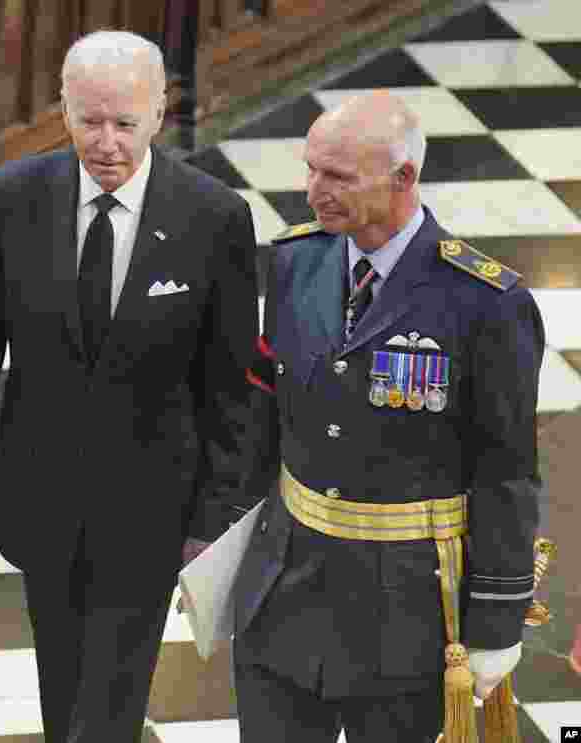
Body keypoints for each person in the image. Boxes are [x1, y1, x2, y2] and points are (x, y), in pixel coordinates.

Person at [0, 30, 260, 743]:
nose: (106, 142)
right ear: (62, 109)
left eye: (125, 124)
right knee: (64, 682)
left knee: (109, 696)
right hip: (43, 500)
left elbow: (230, 389)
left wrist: (213, 522)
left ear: (160, 115)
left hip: (153, 510)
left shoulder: (214, 216)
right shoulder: (10, 199)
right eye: (89, 120)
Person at [232, 91, 544, 742]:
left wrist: (496, 623)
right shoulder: (294, 262)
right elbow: (266, 420)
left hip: (407, 618)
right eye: (310, 168)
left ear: (404, 177)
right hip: (283, 593)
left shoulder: (485, 303)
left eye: (338, 175)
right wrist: (219, 544)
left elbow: (506, 472)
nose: (314, 190)